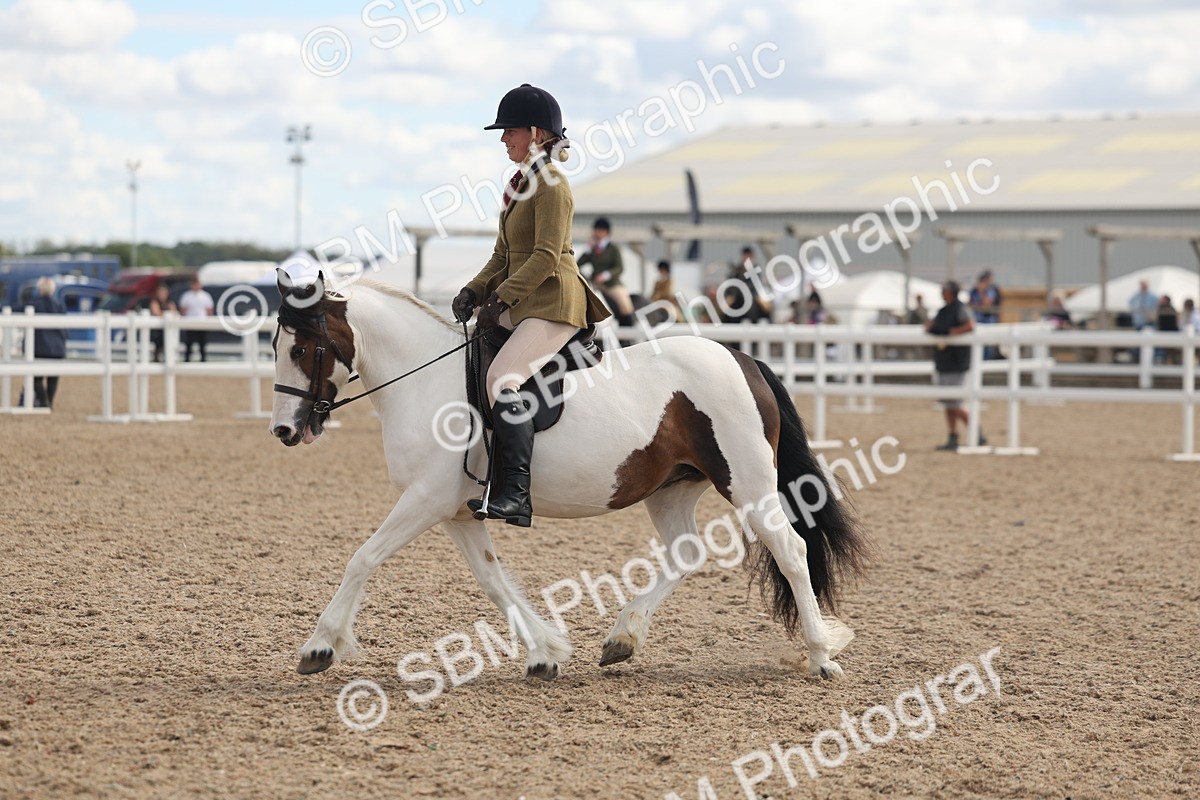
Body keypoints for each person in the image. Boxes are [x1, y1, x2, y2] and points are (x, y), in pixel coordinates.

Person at [451, 84, 610, 527]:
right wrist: (475, 291)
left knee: (504, 378)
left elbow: (544, 255)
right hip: (526, 301)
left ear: (537, 133)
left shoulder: (552, 186)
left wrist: (500, 297)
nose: (504, 139)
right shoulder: (519, 184)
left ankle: (516, 493)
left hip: (554, 301)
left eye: (511, 131)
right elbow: (503, 257)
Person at [927, 280, 985, 450]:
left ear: (951, 292)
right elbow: (932, 326)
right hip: (944, 361)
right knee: (947, 402)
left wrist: (950, 334)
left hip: (957, 362)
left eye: (944, 290)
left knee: (956, 403)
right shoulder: (943, 311)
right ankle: (953, 435)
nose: (941, 293)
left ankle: (977, 432)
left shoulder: (961, 309)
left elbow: (969, 326)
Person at [577, 217, 633, 325]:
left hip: (611, 284)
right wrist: (588, 249)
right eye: (596, 230)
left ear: (606, 232)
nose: (597, 233)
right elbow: (578, 264)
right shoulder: (592, 249)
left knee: (625, 306)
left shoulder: (613, 248)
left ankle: (629, 330)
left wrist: (606, 275)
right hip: (596, 284)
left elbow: (619, 267)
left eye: (600, 230)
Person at [26, 276, 67, 409]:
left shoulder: (35, 304)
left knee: (36, 378)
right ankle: (49, 402)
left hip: (40, 347)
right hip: (57, 348)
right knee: (53, 378)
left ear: (40, 289)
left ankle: (44, 401)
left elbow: (17, 309)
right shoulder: (59, 305)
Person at [178, 279, 214, 362]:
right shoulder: (187, 296)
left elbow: (209, 310)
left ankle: (203, 360)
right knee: (188, 343)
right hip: (190, 322)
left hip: (202, 322)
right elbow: (183, 310)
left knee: (202, 343)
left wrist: (209, 321)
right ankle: (187, 360)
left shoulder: (205, 296)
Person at [969, 270, 1002, 359]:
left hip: (988, 321)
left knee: (988, 344)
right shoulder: (974, 291)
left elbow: (987, 304)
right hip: (977, 320)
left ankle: (986, 362)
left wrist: (982, 292)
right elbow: (971, 304)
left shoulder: (991, 290)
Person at [148, 284, 178, 362]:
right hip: (158, 329)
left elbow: (174, 313)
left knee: (168, 344)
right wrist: (167, 315)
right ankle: (156, 359)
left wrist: (164, 314)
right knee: (159, 344)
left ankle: (168, 359)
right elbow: (156, 313)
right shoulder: (155, 302)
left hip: (169, 327)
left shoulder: (170, 302)